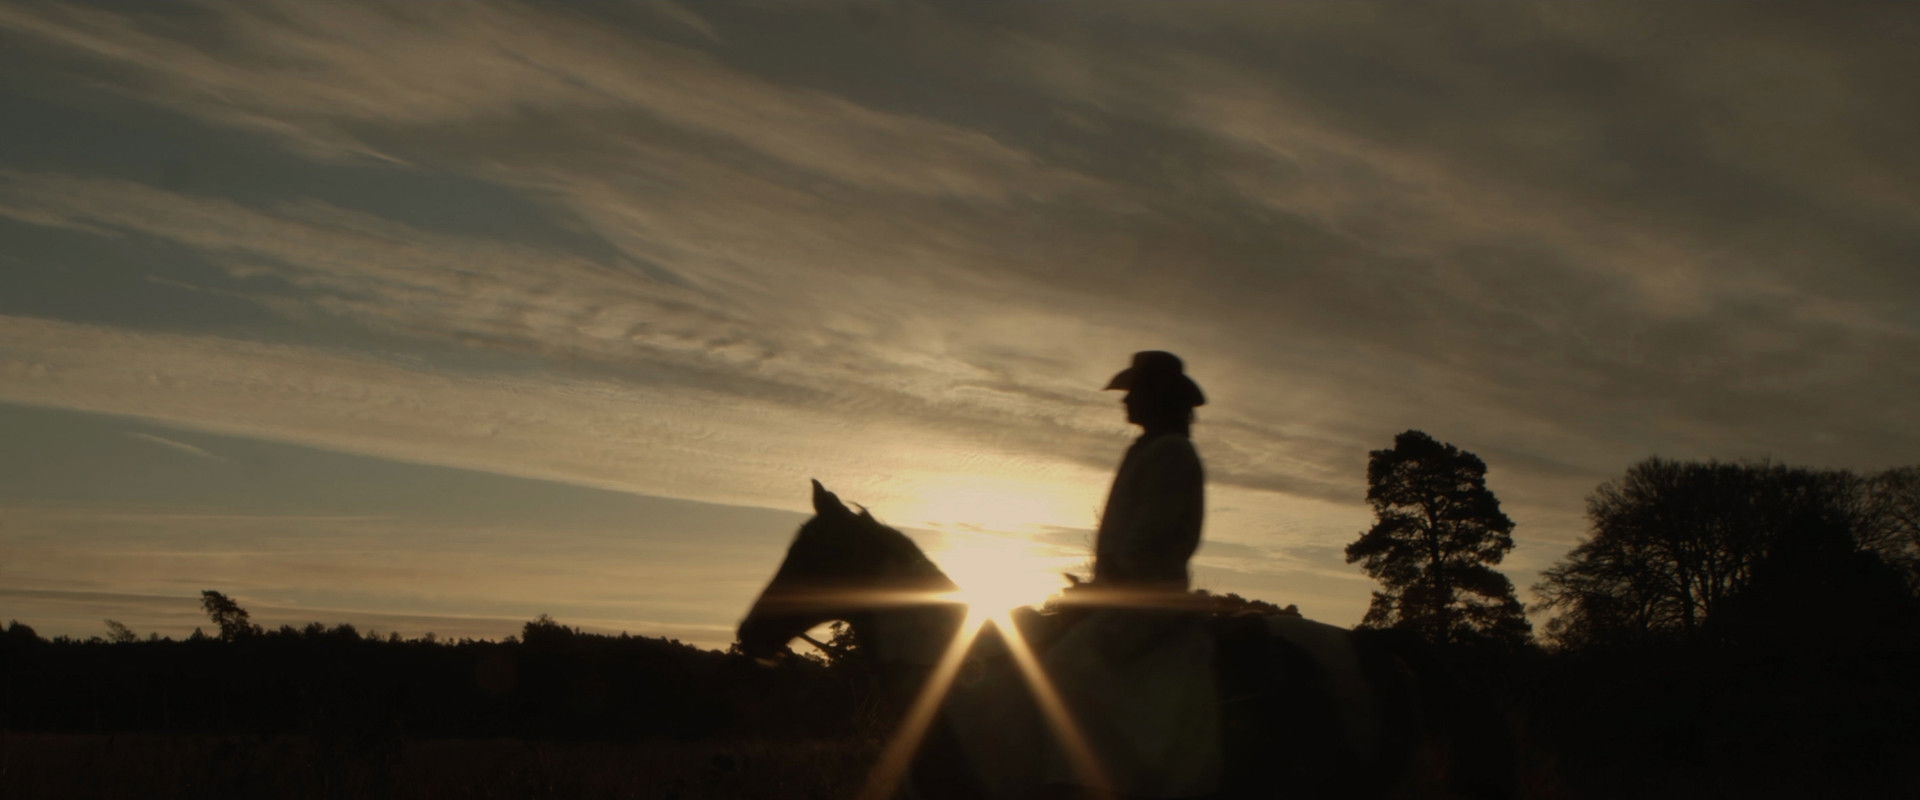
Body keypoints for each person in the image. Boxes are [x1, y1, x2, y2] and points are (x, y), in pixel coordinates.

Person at [1093, 350, 1206, 591]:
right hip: (1126, 592)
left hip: (1142, 596)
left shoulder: (1171, 450)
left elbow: (1153, 529)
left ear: (1155, 396)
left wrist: (1116, 581)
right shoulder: (1151, 448)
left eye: (1134, 392)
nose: (1125, 400)